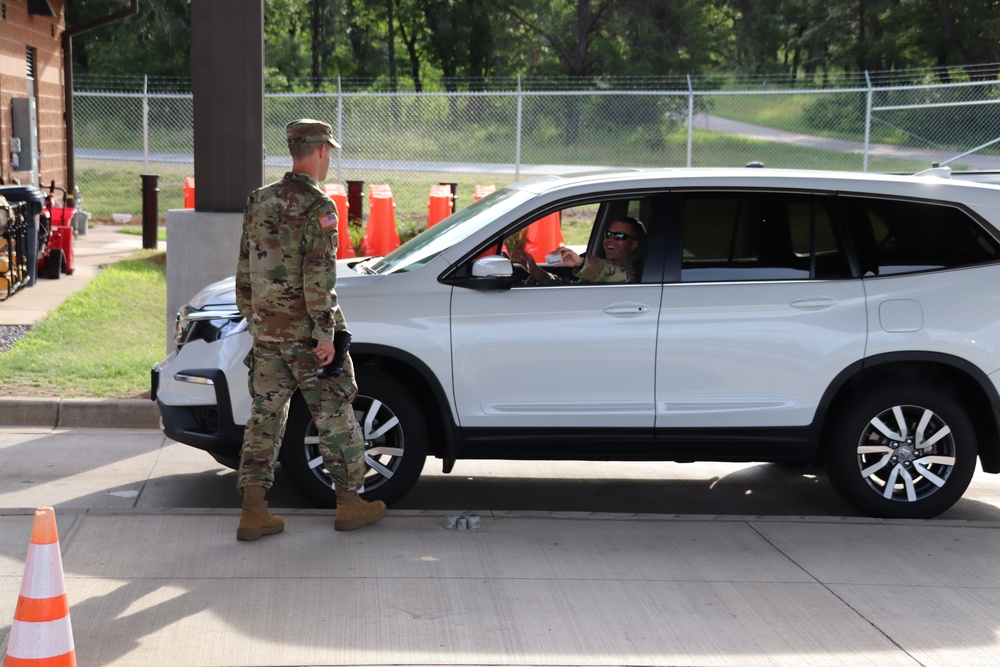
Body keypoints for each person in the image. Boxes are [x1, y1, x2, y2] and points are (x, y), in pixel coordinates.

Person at [234, 118, 386, 541]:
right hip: (307, 337)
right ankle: (350, 502)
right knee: (334, 413)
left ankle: (253, 510)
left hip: (267, 335)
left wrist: (254, 318)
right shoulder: (319, 206)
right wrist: (324, 333)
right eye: (329, 151)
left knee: (264, 417)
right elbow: (319, 276)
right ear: (320, 150)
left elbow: (244, 268)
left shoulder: (258, 200)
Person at [511, 216, 645, 285]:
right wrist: (536, 272)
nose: (610, 240)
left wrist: (581, 263)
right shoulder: (603, 269)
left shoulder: (638, 272)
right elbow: (571, 288)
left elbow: (619, 275)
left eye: (618, 237)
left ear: (633, 245)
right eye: (608, 234)